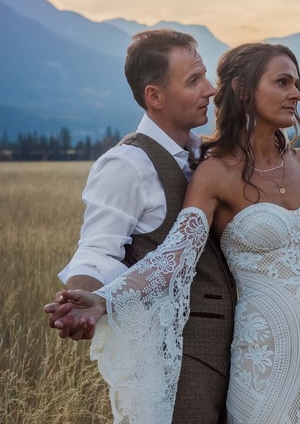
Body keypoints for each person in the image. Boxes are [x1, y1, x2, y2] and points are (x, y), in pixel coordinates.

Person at [48, 42, 300, 423]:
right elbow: (171, 257)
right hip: (266, 361)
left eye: (297, 83)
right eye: (282, 82)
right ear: (244, 91)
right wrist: (103, 299)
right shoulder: (211, 173)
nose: (296, 93)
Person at [45, 29, 236, 423]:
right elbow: (98, 249)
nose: (211, 89)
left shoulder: (208, 154)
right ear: (155, 97)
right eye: (194, 81)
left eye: (205, 76)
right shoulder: (126, 165)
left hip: (239, 357)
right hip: (176, 363)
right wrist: (83, 300)